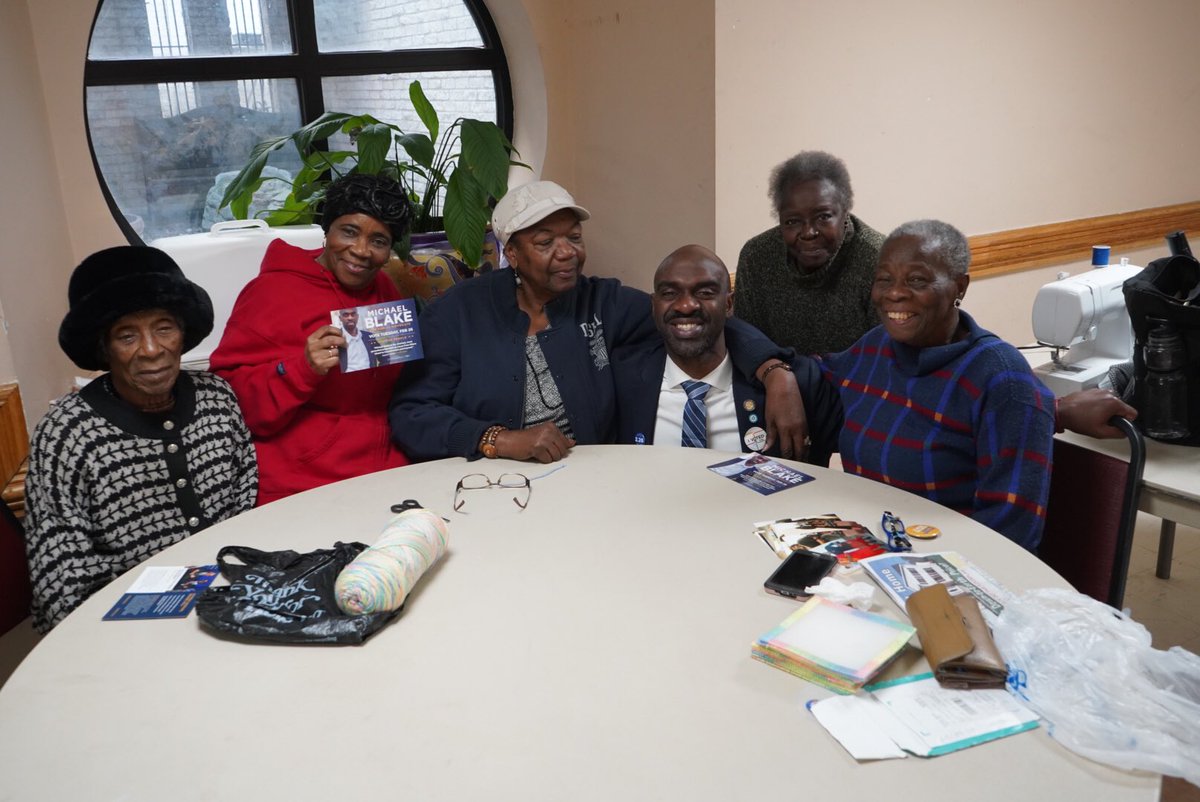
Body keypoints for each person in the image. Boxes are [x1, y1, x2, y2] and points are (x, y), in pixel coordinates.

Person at [389, 180, 809, 463]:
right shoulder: (460, 311)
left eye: (573, 237)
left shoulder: (603, 302)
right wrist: (496, 439)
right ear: (511, 254)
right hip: (486, 485)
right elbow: (412, 412)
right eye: (545, 242)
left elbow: (695, 317)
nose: (567, 251)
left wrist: (773, 370)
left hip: (590, 484)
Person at [24, 246, 257, 631]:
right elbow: (60, 584)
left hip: (229, 606)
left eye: (164, 327)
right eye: (126, 335)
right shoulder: (65, 433)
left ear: (183, 333)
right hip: (118, 626)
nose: (151, 350)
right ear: (104, 347)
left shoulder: (218, 398)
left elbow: (244, 508)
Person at [821, 219, 1056, 551]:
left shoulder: (1000, 377)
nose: (895, 293)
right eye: (884, 279)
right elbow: (814, 375)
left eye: (917, 280)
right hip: (870, 546)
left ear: (960, 287)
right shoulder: (876, 347)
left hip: (950, 567)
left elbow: (1010, 531)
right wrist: (771, 368)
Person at [210, 174, 412, 505]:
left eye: (379, 241)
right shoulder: (270, 293)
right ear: (326, 229)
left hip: (384, 470)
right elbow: (227, 403)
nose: (361, 251)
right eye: (349, 232)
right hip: (302, 482)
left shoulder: (385, 290)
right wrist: (301, 369)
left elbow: (394, 388)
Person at [612, 245, 842, 465]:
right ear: (654, 306)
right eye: (670, 293)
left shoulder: (799, 384)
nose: (686, 306)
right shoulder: (621, 377)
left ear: (728, 304)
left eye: (705, 292)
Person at [734, 150, 885, 355]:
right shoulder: (757, 257)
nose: (808, 233)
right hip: (776, 381)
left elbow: (885, 359)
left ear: (845, 211)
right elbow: (748, 345)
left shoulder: (878, 260)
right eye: (792, 222)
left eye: (823, 217)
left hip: (856, 383)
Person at [336, 307, 389, 372]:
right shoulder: (336, 338)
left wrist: (379, 373)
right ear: (340, 318)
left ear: (357, 316)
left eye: (353, 314)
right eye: (346, 315)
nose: (350, 318)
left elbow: (385, 357)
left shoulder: (368, 336)